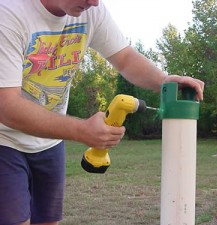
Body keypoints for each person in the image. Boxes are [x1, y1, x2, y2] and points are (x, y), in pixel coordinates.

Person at [0, 0, 205, 225]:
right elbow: (6, 106)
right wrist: (81, 130)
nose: (95, 2)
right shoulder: (8, 14)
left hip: (49, 144)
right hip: (4, 140)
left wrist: (164, 81)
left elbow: (125, 58)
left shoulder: (91, 12)